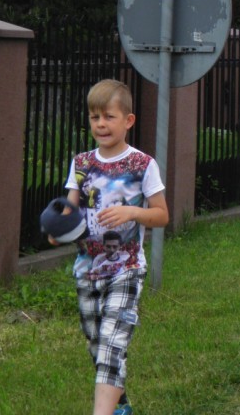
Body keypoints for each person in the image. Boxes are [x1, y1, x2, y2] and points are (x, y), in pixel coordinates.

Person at [54, 78, 169, 415]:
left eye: (109, 116)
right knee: (97, 343)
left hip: (126, 269)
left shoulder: (143, 165)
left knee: (112, 344)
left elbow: (162, 215)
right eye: (95, 117)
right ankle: (120, 407)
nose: (101, 124)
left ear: (128, 120)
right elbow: (70, 210)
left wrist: (132, 212)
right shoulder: (81, 163)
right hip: (86, 270)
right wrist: (57, 228)